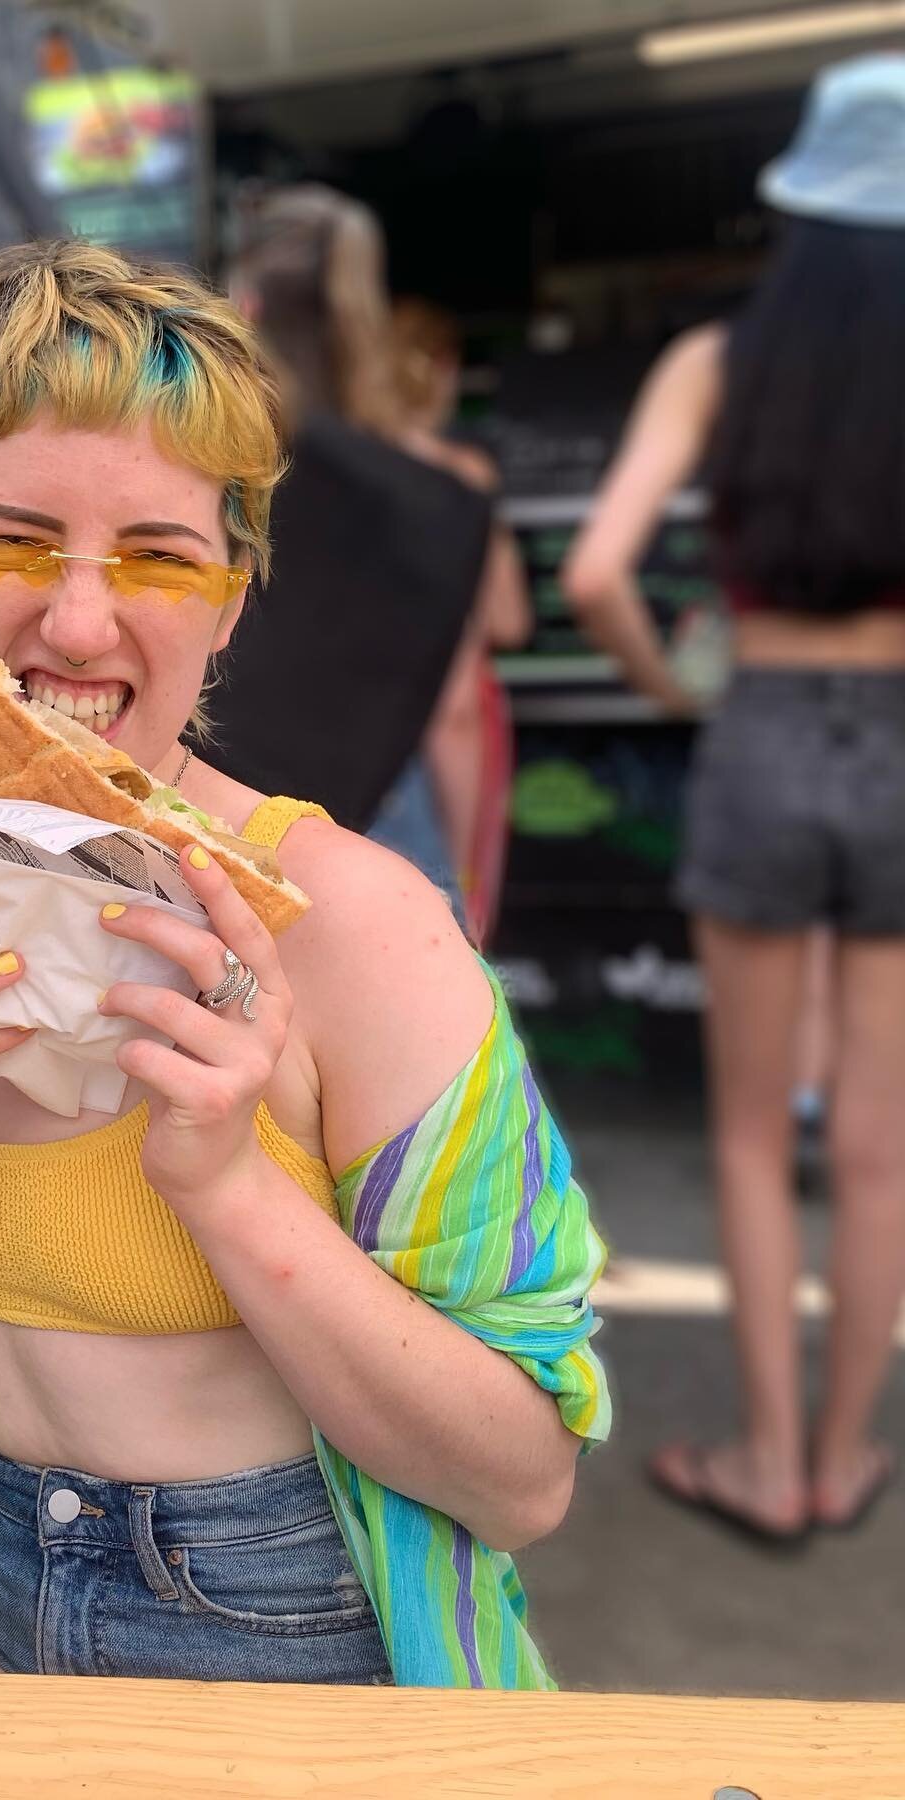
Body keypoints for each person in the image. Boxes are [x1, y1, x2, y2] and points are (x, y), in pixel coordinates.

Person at [0, 238, 610, 1685]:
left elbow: (520, 1480)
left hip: (294, 1616)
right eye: (14, 541)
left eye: (157, 556)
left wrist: (223, 1185)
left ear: (227, 597)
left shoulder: (356, 929)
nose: (78, 622)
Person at [563, 54, 905, 1540]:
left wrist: (675, 686)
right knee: (886, 1147)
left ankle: (765, 1466)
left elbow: (591, 571)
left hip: (759, 723)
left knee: (755, 1137)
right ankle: (844, 1458)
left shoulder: (716, 362)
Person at [206, 186, 491, 912]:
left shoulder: (204, 460)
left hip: (206, 821)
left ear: (244, 301)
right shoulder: (436, 493)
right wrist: (464, 884)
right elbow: (455, 709)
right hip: (381, 821)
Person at [392, 298, 533, 946]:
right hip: (440, 739)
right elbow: (507, 619)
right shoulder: (462, 476)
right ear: (444, 369)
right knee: (451, 923)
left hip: (342, 735)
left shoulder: (325, 475)